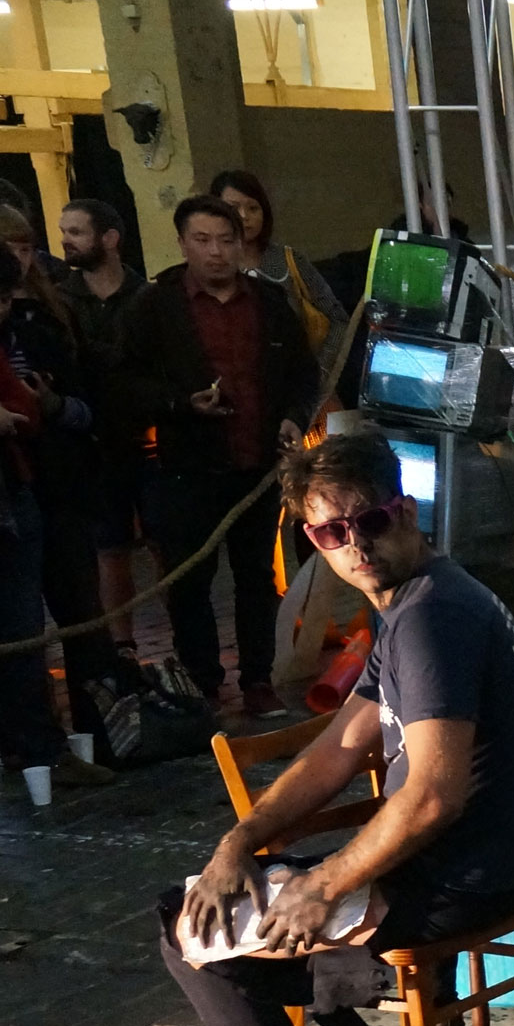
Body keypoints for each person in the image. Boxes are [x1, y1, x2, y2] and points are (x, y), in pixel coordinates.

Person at [157, 433, 514, 1026]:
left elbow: (434, 796)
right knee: (224, 894)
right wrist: (241, 839)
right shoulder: (416, 603)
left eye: (369, 522)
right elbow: (339, 747)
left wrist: (324, 883)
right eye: (331, 533)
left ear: (404, 512)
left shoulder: (430, 617)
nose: (356, 546)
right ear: (313, 541)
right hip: (500, 858)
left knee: (187, 930)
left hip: (471, 876)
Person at [115, 195, 320, 715]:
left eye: (226, 241)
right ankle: (203, 683)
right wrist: (180, 403)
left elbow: (302, 372)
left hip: (257, 465)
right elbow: (123, 379)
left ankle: (258, 680)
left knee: (257, 578)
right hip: (186, 468)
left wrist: (294, 417)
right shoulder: (155, 305)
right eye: (202, 240)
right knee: (189, 582)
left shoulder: (268, 302)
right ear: (182, 244)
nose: (216, 252)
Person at [0, 205, 120, 767]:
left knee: (65, 614)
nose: (18, 263)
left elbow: (68, 403)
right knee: (10, 627)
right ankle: (24, 741)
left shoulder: (50, 315)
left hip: (47, 483)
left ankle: (91, 730)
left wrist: (46, 407)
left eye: (25, 249)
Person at [0, 230, 73, 790]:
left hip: (3, 501)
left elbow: (21, 404)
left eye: (8, 297)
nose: (0, 309)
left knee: (19, 635)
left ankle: (32, 749)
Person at [59, 197, 149, 662]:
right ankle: (122, 646)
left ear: (109, 238)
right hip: (94, 442)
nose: (65, 241)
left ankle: (189, 643)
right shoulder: (59, 299)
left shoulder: (146, 296)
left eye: (76, 231)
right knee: (110, 545)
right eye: (64, 231)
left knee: (167, 544)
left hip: (148, 436)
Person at [209, 169, 350, 378]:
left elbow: (338, 319)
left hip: (299, 384)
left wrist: (319, 372)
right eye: (233, 208)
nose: (244, 216)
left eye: (253, 208)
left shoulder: (289, 260)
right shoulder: (209, 269)